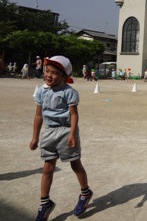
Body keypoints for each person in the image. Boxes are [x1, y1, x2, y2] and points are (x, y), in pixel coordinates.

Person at [29, 55, 93, 220]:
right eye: (47, 71)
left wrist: (72, 134)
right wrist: (35, 137)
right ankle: (45, 203)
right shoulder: (42, 92)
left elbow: (73, 115)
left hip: (66, 131)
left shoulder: (69, 92)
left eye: (55, 73)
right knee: (47, 168)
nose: (49, 75)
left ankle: (85, 193)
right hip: (49, 132)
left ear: (65, 76)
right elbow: (38, 116)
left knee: (75, 164)